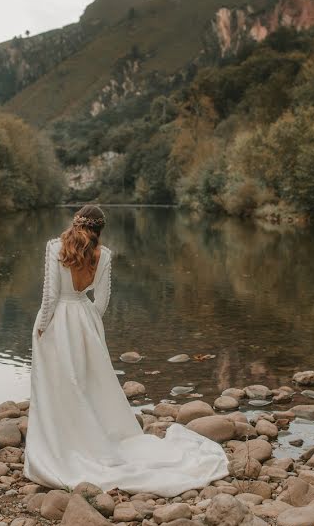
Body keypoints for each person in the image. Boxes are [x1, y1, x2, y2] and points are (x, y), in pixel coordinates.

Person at [23, 205, 230, 496]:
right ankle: (90, 439)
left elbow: (50, 297)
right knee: (85, 383)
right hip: (84, 320)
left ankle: (61, 443)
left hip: (58, 322)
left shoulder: (55, 247)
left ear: (75, 224)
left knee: (58, 384)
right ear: (99, 230)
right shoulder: (104, 255)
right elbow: (102, 299)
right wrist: (91, 325)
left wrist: (42, 327)